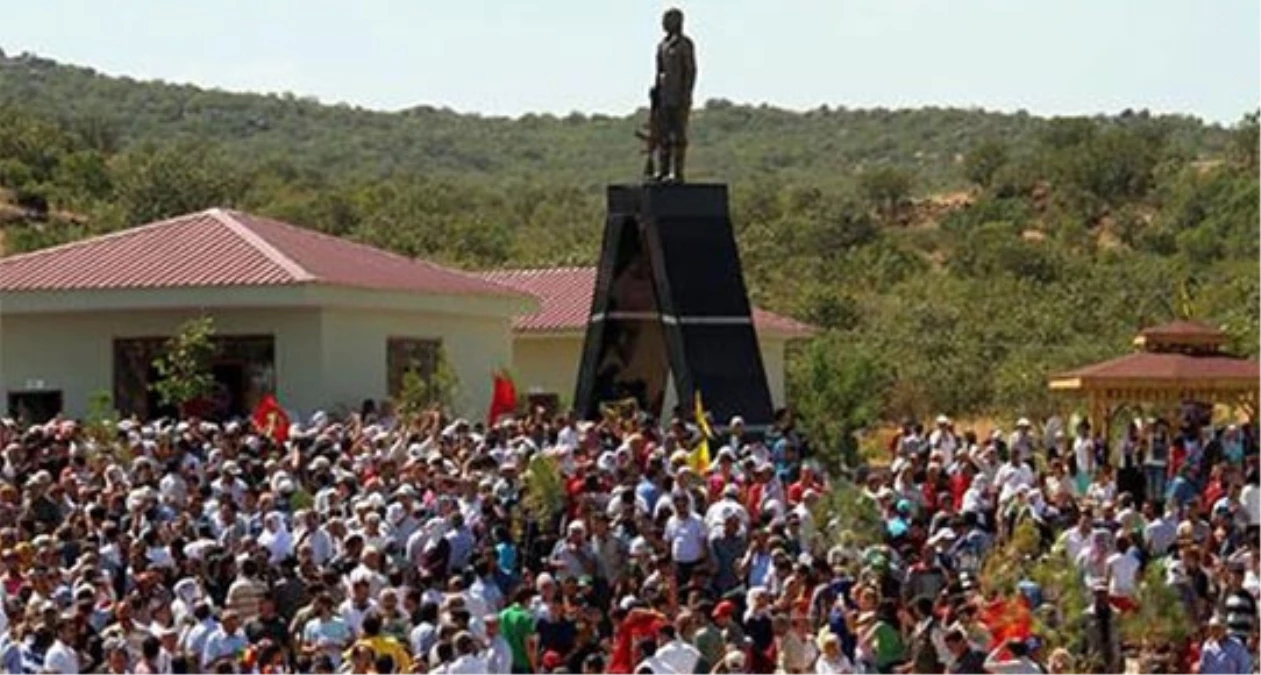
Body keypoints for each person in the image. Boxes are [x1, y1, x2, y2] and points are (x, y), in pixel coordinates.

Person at [651, 7, 697, 182]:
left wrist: (686, 95)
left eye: (667, 20)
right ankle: (663, 170)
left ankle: (677, 172)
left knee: (678, 135)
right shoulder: (662, 45)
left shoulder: (684, 44)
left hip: (678, 97)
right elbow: (659, 71)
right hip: (663, 97)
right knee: (663, 135)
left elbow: (690, 71)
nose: (663, 24)